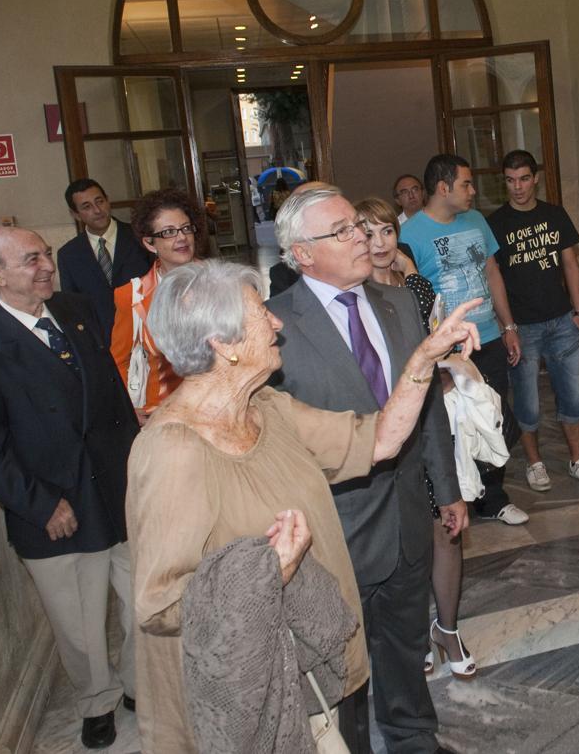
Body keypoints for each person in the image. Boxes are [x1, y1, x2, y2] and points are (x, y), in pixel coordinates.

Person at [127, 259, 479, 753]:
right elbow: (160, 602)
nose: (276, 321)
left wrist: (422, 360)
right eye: (259, 316)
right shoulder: (174, 450)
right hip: (249, 694)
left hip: (309, 663)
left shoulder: (267, 409)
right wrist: (269, 571)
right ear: (223, 345)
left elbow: (378, 440)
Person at [267, 185, 471, 753]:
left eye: (358, 225)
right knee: (338, 663)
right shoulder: (273, 325)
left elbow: (424, 402)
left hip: (408, 512)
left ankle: (412, 736)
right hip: (334, 527)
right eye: (343, 232)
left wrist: (446, 490)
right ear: (302, 254)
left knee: (405, 643)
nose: (361, 237)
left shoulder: (398, 301)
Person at [0, 227, 138, 750]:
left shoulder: (76, 309)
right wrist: (41, 504)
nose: (46, 265)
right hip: (57, 505)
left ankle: (140, 685)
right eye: (31, 260)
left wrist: (140, 466)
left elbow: (114, 397)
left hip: (118, 486)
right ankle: (97, 700)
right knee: (78, 621)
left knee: (142, 596)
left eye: (46, 255)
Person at [356, 195, 477, 680]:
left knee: (447, 529)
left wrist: (445, 368)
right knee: (401, 540)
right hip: (383, 429)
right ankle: (408, 633)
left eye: (387, 231)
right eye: (368, 233)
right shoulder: (354, 296)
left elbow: (438, 350)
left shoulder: (419, 287)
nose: (380, 242)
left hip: (431, 422)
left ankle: (446, 628)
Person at [401, 154, 529, 525]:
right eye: (466, 184)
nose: (473, 191)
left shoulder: (476, 221)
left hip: (487, 339)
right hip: (447, 351)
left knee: (496, 419)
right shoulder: (410, 235)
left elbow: (492, 272)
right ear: (443, 188)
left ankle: (495, 499)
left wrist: (508, 327)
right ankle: (455, 498)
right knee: (453, 427)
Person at [487, 150, 579, 492]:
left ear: (534, 178)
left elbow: (570, 265)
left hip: (562, 321)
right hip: (523, 327)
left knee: (573, 396)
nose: (517, 187)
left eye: (523, 179)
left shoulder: (554, 215)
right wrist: (508, 327)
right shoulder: (496, 223)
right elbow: (493, 277)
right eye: (510, 180)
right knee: (527, 401)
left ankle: (578, 459)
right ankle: (535, 464)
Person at [110, 188, 201, 417]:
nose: (181, 238)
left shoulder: (222, 283)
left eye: (185, 228)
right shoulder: (132, 296)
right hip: (161, 413)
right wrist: (130, 409)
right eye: (168, 232)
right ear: (150, 244)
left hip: (217, 408)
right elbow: (119, 361)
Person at [56, 178, 154, 344]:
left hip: (147, 334)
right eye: (86, 207)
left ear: (108, 201)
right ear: (75, 214)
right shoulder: (68, 255)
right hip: (103, 343)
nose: (97, 210)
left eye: (99, 201)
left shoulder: (140, 237)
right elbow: (73, 307)